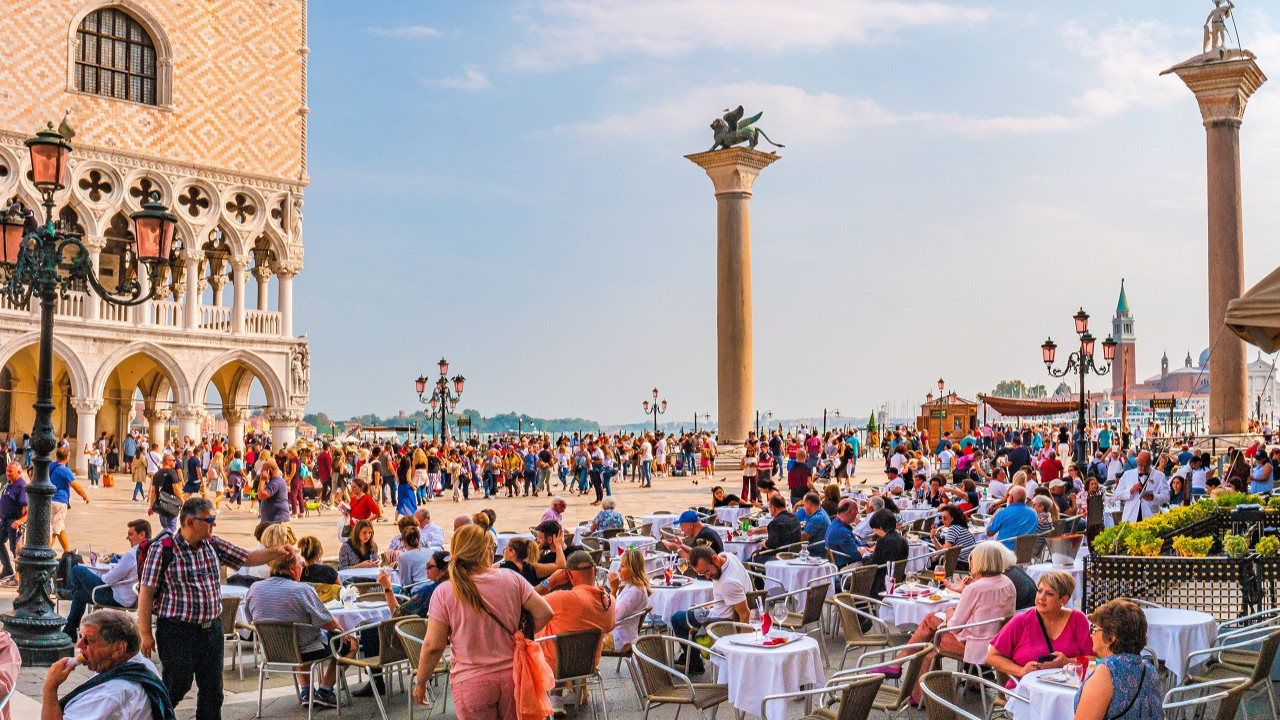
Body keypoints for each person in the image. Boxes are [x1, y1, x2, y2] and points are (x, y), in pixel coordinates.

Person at [137, 497, 291, 720]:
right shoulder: (163, 549)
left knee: (213, 692)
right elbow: (146, 592)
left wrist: (277, 552)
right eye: (209, 519)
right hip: (176, 632)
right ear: (190, 521)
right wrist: (145, 633)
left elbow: (247, 557)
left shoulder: (213, 545)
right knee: (176, 686)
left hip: (211, 631)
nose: (214, 524)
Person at [411, 524, 554, 719]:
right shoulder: (511, 578)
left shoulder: (445, 591)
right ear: (486, 550)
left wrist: (421, 682)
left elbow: (433, 645)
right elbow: (545, 612)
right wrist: (519, 634)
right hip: (513, 675)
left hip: (471, 681)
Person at [896, 541, 1015, 703]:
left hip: (976, 647)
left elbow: (954, 626)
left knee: (930, 643)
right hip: (999, 644)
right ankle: (921, 689)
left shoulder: (975, 589)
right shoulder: (1008, 584)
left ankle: (916, 689)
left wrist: (950, 611)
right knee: (932, 624)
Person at [244, 548, 357, 707]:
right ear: (292, 568)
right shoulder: (302, 590)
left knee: (296, 639)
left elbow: (250, 619)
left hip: (272, 649)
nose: (303, 568)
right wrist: (341, 630)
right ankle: (324, 691)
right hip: (307, 649)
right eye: (301, 565)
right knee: (350, 643)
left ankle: (306, 692)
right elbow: (327, 622)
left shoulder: (254, 588)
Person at [42, 609, 172, 720]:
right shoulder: (144, 665)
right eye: (80, 637)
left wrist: (50, 687)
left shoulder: (109, 695)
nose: (79, 645)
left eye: (87, 640)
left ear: (118, 648)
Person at [537, 551, 617, 715]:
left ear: (568, 575)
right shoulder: (609, 602)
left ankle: (553, 696)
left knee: (547, 627)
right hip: (587, 664)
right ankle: (557, 697)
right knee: (562, 627)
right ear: (594, 569)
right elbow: (610, 627)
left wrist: (550, 581)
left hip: (552, 663)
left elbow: (527, 599)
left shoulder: (561, 599)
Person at [987, 570, 1093, 685]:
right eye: (1040, 591)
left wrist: (1067, 662)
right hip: (1027, 690)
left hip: (1068, 687)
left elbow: (1093, 659)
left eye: (1049, 594)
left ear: (1064, 599)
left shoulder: (1077, 619)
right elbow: (992, 656)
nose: (1041, 597)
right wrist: (1021, 670)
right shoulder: (1021, 620)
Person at [1072, 599, 1163, 720]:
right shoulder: (1148, 669)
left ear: (1111, 637)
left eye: (1094, 629)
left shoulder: (1106, 672)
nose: (1091, 634)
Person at [63, 519, 151, 642]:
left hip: (117, 597)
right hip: (132, 595)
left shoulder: (132, 555)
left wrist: (112, 571)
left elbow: (107, 579)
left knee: (77, 569)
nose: (127, 538)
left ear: (142, 535)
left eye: (131, 534)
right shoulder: (150, 553)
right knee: (79, 595)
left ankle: (70, 593)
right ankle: (69, 630)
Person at [668, 546, 751, 675]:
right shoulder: (727, 556)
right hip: (720, 608)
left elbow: (744, 614)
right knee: (688, 612)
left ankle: (694, 662)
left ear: (715, 559)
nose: (707, 577)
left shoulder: (728, 583)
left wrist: (745, 650)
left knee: (676, 618)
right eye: (703, 574)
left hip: (721, 622)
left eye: (707, 571)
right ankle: (691, 656)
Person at [604, 549, 651, 652]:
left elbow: (613, 617)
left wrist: (613, 590)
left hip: (619, 638)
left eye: (622, 566)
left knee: (586, 642)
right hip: (619, 632)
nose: (619, 570)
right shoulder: (630, 586)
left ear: (633, 569)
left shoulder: (635, 591)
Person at [856, 508, 910, 598]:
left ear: (880, 527)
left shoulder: (883, 542)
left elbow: (872, 565)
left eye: (875, 529)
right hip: (897, 580)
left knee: (851, 582)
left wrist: (864, 554)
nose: (875, 532)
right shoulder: (903, 541)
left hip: (880, 584)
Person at [50, 446, 90, 553]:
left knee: (60, 527)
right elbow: (75, 486)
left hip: (49, 500)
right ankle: (45, 553)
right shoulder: (64, 470)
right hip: (59, 502)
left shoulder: (50, 466)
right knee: (54, 529)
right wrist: (85, 496)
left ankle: (67, 552)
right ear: (67, 457)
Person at [1115, 450, 1169, 523]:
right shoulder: (1127, 474)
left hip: (1151, 519)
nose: (1143, 468)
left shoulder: (1160, 476)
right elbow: (1116, 495)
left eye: (1146, 466)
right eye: (1140, 465)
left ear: (1150, 463)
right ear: (1137, 462)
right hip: (1130, 518)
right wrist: (1131, 490)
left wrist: (1153, 497)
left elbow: (1166, 497)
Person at [749, 495, 802, 559]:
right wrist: (756, 530)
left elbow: (770, 544)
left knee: (749, 559)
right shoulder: (795, 518)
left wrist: (764, 543)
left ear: (773, 508)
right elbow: (774, 529)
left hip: (777, 556)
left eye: (770, 507)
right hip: (794, 555)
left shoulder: (776, 522)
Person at [0, 461, 26, 584]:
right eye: (7, 471)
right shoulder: (9, 484)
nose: (7, 473)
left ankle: (18, 576)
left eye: (10, 471)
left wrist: (20, 521)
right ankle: (7, 568)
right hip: (4, 520)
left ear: (19, 472)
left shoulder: (21, 486)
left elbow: (26, 508)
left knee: (15, 549)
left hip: (13, 521)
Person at [930, 504, 976, 570]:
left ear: (952, 518)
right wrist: (933, 538)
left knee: (931, 563)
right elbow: (945, 550)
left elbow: (944, 551)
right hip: (969, 563)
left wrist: (935, 558)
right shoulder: (961, 527)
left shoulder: (953, 528)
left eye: (944, 518)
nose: (942, 520)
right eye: (941, 518)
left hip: (961, 564)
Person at [824, 499, 864, 567]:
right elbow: (857, 555)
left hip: (845, 562)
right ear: (849, 511)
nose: (858, 512)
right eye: (856, 510)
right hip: (848, 567)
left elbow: (857, 544)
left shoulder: (836, 523)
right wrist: (869, 551)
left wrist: (869, 545)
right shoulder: (841, 531)